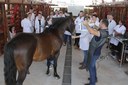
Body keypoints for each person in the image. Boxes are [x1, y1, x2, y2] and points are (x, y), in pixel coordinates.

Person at [83, 19, 109, 85]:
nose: (99, 24)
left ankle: (92, 83)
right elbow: (95, 29)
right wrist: (91, 24)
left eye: (100, 23)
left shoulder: (104, 33)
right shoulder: (102, 30)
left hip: (95, 53)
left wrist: (86, 25)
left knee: (91, 67)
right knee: (92, 66)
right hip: (94, 52)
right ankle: (94, 78)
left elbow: (92, 32)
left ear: (103, 24)